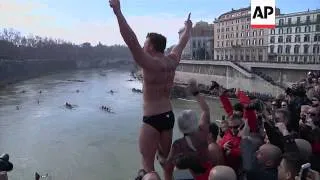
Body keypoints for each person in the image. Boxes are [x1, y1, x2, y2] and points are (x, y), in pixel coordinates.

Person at [109, 0, 192, 177]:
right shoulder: (172, 60)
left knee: (147, 167)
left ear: (152, 47)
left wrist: (118, 12)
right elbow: (183, 42)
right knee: (163, 159)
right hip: (168, 116)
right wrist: (188, 27)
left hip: (152, 119)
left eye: (145, 44)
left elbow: (131, 41)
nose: (143, 46)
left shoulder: (150, 63)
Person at [163, 79, 211, 180]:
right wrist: (196, 93)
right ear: (195, 122)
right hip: (207, 174)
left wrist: (160, 158)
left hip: (190, 177)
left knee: (177, 169)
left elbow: (168, 167)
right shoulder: (203, 133)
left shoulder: (178, 144)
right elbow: (206, 110)